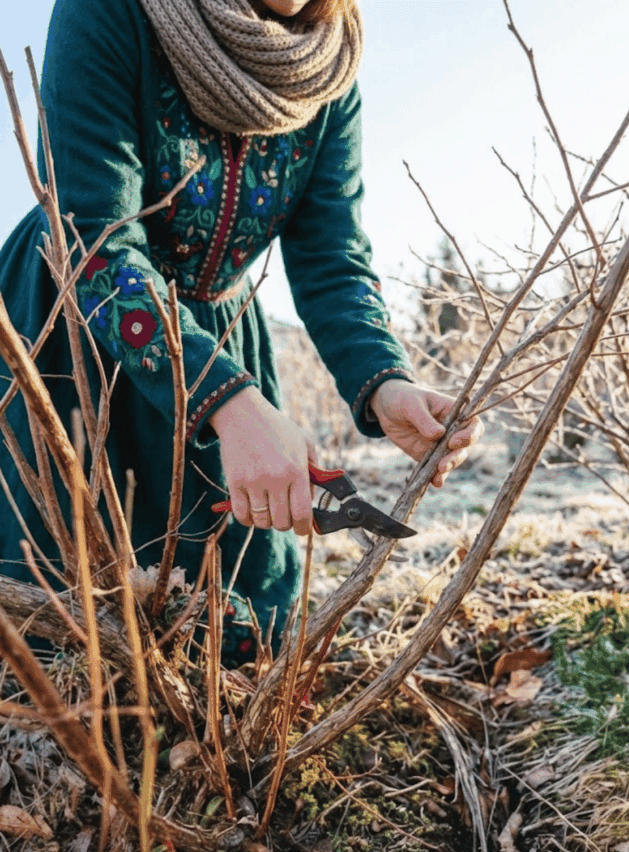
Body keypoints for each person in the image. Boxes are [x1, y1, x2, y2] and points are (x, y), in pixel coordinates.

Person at [0, 0, 481, 665]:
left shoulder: (329, 67)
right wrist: (226, 402)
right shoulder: (108, 11)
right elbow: (94, 241)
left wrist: (385, 382)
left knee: (238, 628)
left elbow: (331, 256)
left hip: (226, 345)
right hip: (73, 337)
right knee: (69, 617)